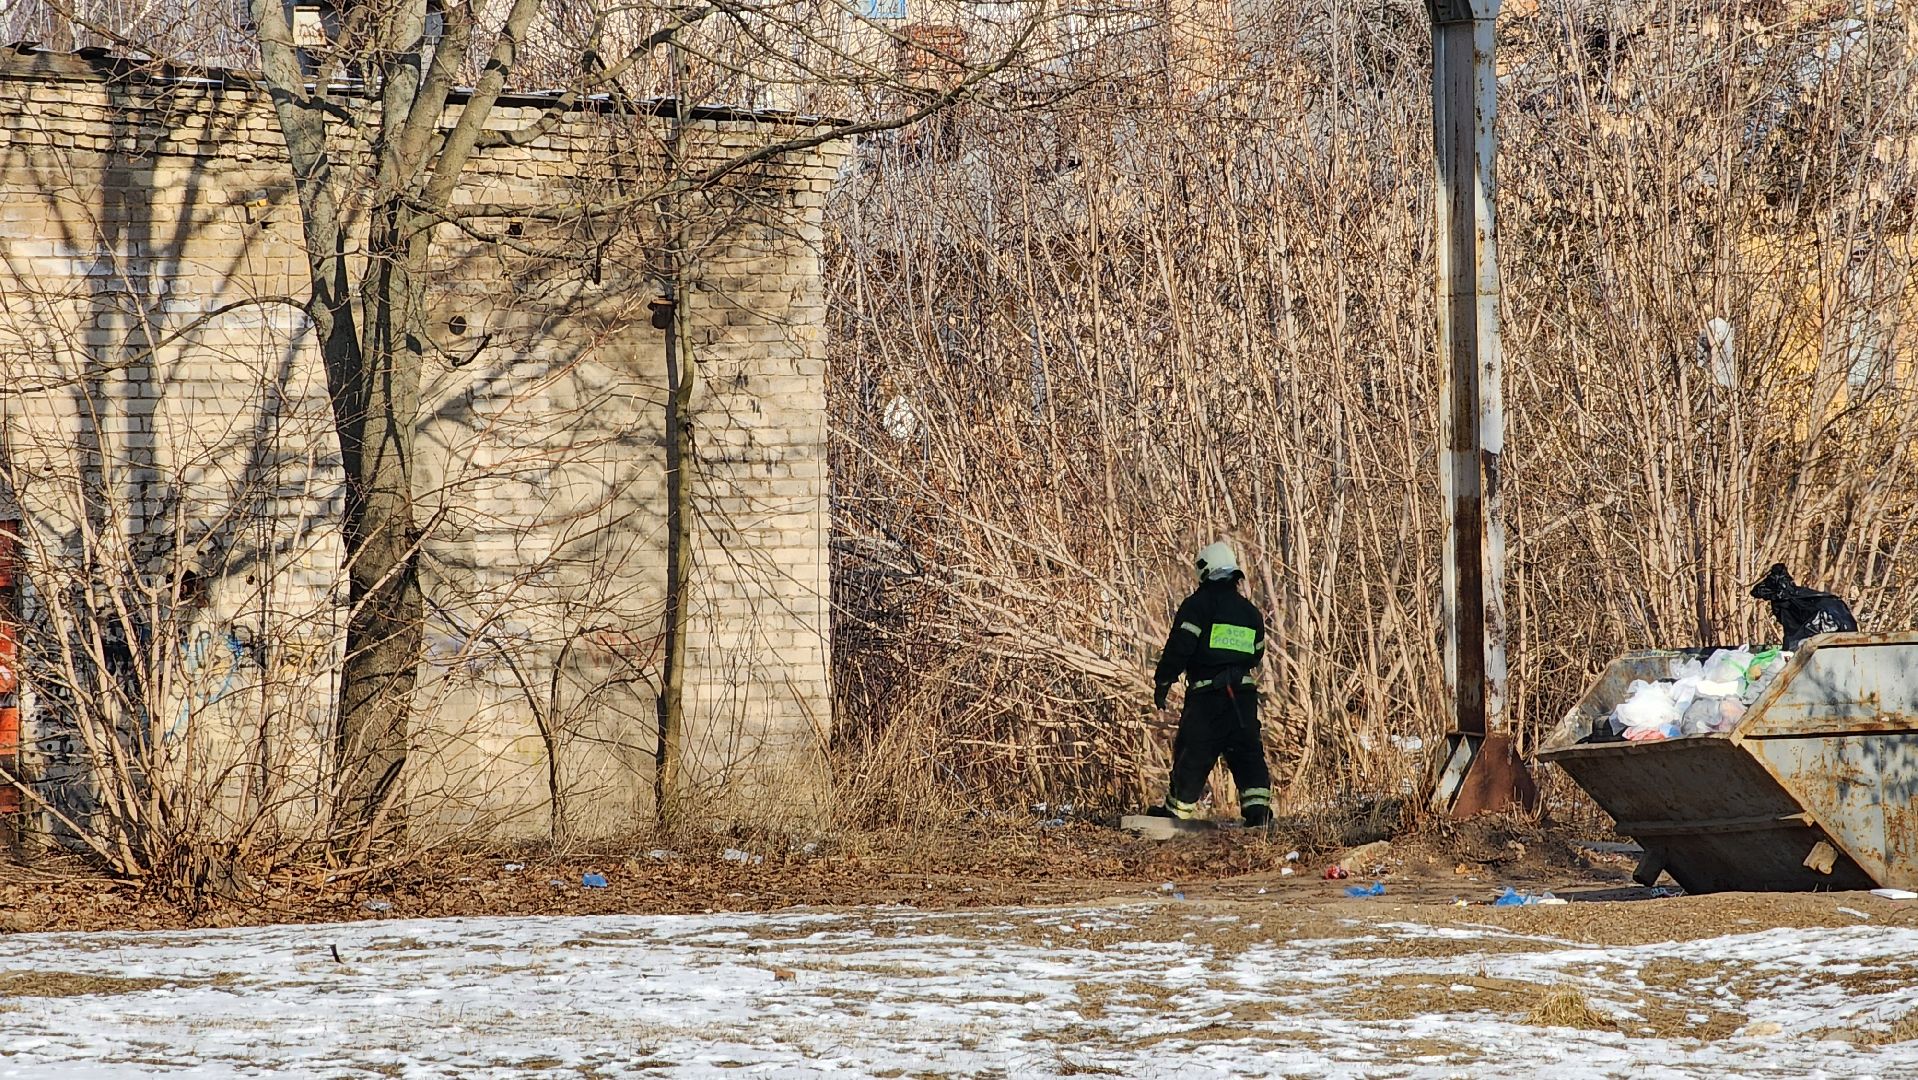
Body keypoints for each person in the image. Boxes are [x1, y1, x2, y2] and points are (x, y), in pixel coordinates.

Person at [1148, 541, 1274, 827]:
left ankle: (1176, 815)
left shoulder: (1198, 605)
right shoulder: (1250, 613)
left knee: (1194, 751)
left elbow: (1181, 645)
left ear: (1204, 571)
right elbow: (1256, 653)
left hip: (1207, 697)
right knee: (1247, 752)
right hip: (1242, 696)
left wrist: (1164, 679)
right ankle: (1258, 814)